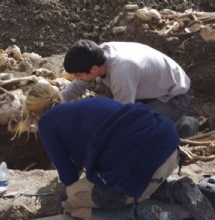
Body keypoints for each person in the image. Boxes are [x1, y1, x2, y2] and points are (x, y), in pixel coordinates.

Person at [17, 82, 215, 220]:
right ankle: (173, 189)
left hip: (142, 167)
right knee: (136, 176)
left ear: (34, 112)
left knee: (69, 201)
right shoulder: (85, 106)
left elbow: (68, 177)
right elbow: (80, 153)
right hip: (169, 150)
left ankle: (140, 213)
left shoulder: (46, 122)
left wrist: (70, 188)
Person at [60, 40, 198, 138]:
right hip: (149, 88)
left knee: (135, 128)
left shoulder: (122, 72)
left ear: (94, 68)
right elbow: (80, 83)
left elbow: (124, 115)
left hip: (174, 98)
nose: (77, 78)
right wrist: (56, 100)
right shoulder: (97, 54)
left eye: (78, 75)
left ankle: (184, 125)